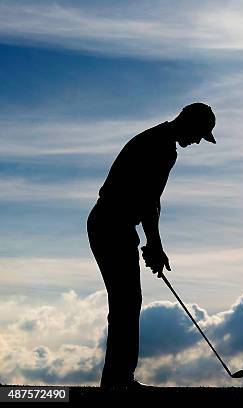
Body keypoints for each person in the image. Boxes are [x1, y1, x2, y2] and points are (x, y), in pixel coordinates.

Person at [87, 103, 216, 389]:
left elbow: (151, 201)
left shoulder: (159, 140)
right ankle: (117, 380)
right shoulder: (162, 148)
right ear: (188, 123)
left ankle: (118, 377)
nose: (197, 141)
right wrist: (154, 245)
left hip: (115, 225)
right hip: (110, 224)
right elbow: (147, 201)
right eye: (199, 135)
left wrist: (153, 244)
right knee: (126, 300)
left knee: (127, 300)